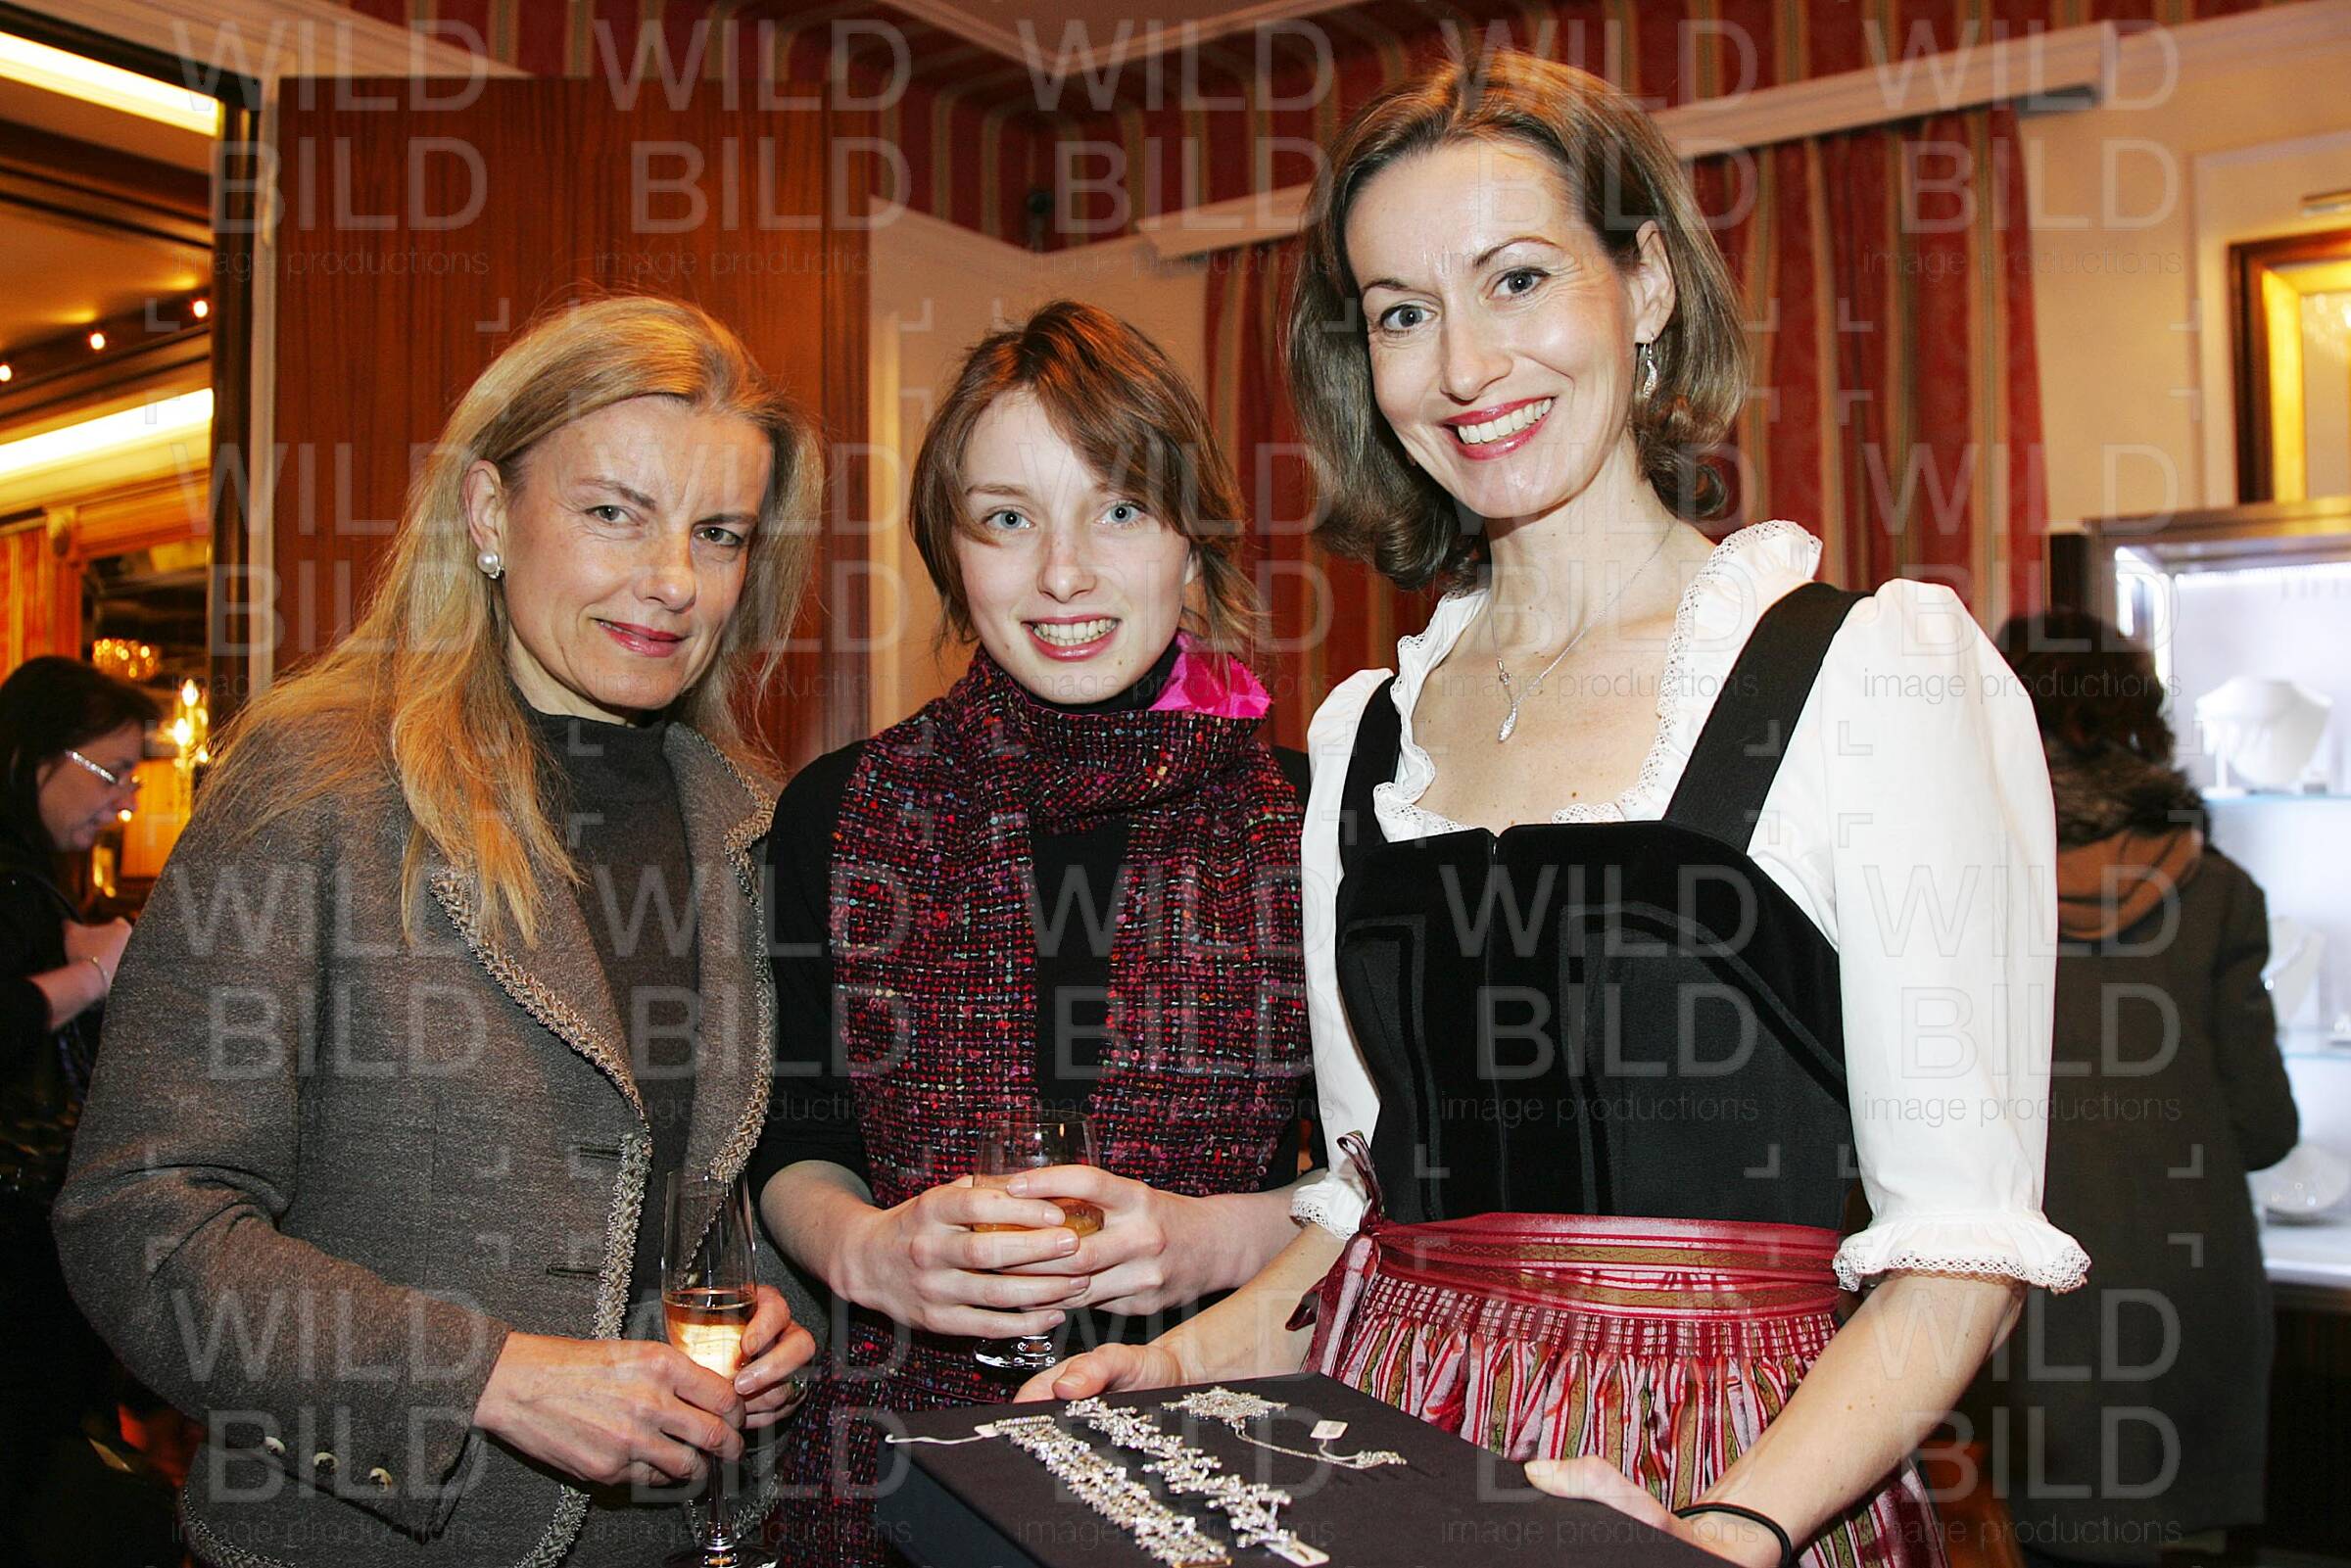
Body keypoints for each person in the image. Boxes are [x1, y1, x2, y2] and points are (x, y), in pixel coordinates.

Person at [1029, 53, 2089, 1568]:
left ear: (1644, 283)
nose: (1465, 367)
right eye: (1401, 312)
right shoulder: (1362, 735)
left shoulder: (1870, 677)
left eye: (1517, 279)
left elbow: (1960, 1257)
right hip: (1388, 1453)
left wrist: (1722, 1530)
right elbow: (1372, 1216)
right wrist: (1187, 1358)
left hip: (1728, 1467)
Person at [53, 297, 821, 1567]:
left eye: (719, 532)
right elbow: (141, 1221)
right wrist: (486, 1377)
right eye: (613, 512)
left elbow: (725, 1190)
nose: (675, 581)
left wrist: (781, 1319)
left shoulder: (748, 817)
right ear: (486, 512)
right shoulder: (317, 786)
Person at [749, 301, 1316, 1566]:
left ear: (1192, 540)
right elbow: (796, 1131)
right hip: (887, 1477)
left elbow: (1388, 1189)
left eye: (1119, 510)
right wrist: (869, 1249)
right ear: (951, 553)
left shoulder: (1310, 821)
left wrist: (1211, 1238)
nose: (1063, 574)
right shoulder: (842, 810)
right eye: (1007, 519)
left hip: (1220, 1451)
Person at [1977, 610, 2296, 1568]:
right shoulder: (2220, 890)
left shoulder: (1954, 890)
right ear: (2143, 724)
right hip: (2187, 1303)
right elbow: (2265, 1128)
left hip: (2016, 1309)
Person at [0, 656, 175, 1565]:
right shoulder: (17, 881)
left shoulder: (40, 878)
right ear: (36, 757)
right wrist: (99, 971)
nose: (123, 801)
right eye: (112, 772)